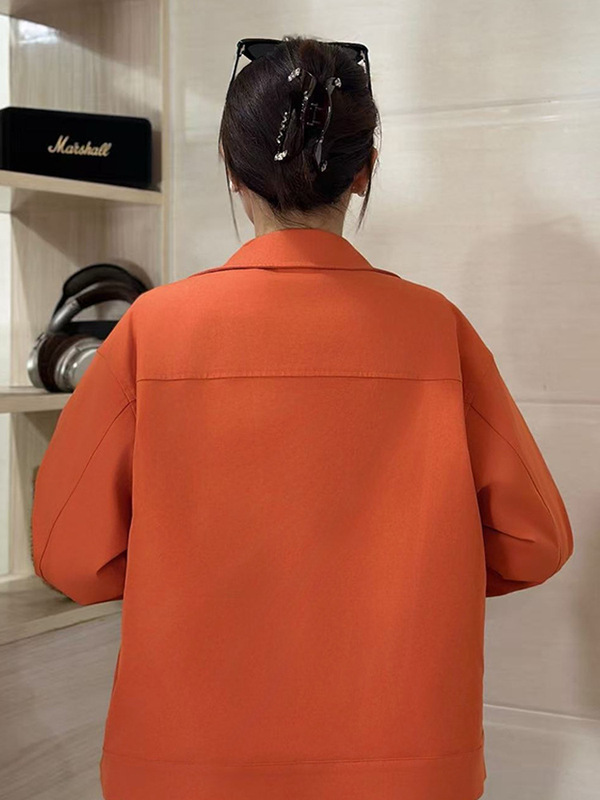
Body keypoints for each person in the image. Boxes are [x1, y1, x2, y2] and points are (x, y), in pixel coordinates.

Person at [31, 35, 574, 800]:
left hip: (189, 764)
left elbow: (70, 556)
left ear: (230, 168)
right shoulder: (435, 330)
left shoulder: (154, 330)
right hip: (405, 763)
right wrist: (412, 572)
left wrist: (178, 572)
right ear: (365, 170)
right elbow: (535, 542)